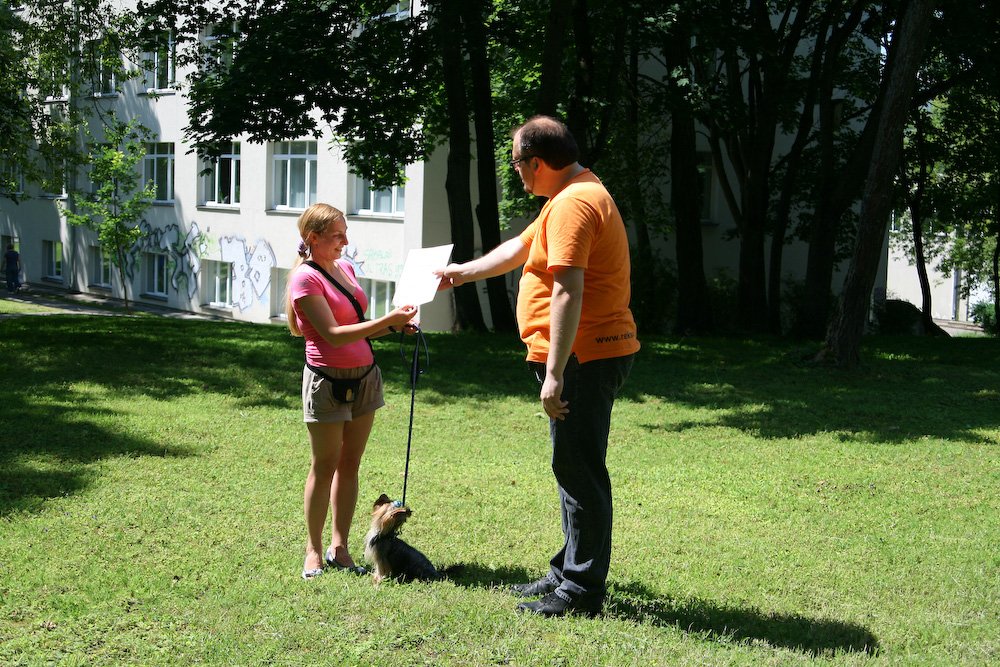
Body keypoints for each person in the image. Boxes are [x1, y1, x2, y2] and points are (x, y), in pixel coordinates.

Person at [437, 115, 640, 617]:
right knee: (570, 465)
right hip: (580, 355)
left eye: (516, 163)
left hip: (582, 358)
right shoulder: (569, 193)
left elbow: (569, 289)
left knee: (580, 471)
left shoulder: (574, 203)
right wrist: (462, 273)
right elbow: (522, 247)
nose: (515, 172)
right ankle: (567, 570)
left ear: (537, 162)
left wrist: (554, 372)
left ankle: (580, 590)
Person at [285, 203, 418, 580]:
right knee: (324, 464)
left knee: (350, 464)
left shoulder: (345, 269)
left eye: (345, 233)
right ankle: (313, 550)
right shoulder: (304, 280)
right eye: (337, 235)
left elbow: (358, 327)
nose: (345, 241)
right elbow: (332, 334)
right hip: (326, 381)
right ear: (313, 238)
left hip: (365, 377)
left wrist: (394, 327)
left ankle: (339, 547)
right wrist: (387, 319)